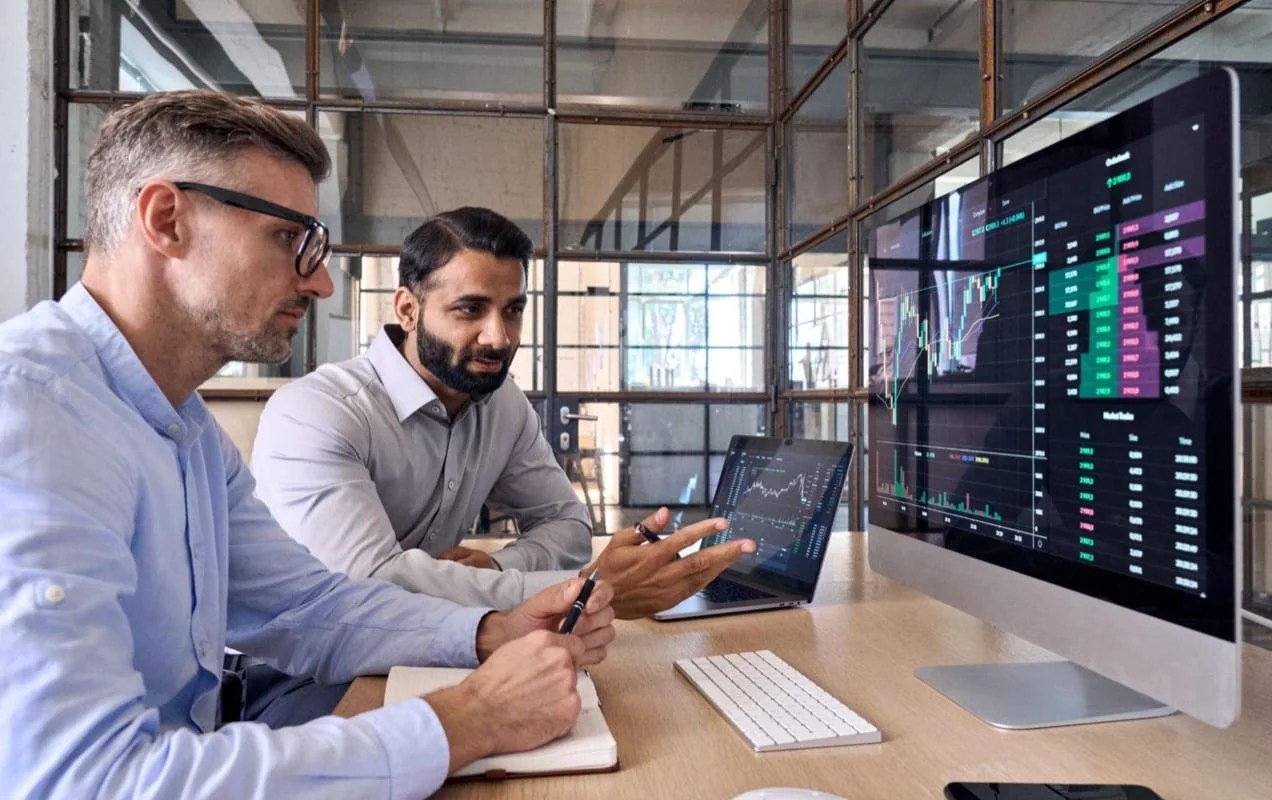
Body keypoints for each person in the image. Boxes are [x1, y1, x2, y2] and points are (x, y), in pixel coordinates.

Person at [0, 89, 616, 799]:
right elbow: (89, 783)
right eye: (290, 239)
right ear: (167, 219)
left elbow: (305, 607)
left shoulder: (185, 430)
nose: (320, 281)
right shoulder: (34, 416)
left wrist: (488, 632)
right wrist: (467, 719)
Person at [252, 207, 757, 616]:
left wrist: (497, 571)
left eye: (512, 310)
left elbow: (567, 524)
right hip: (298, 673)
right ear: (407, 309)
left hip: (429, 645)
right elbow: (369, 585)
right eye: (469, 310)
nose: (500, 337)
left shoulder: (502, 402)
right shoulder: (317, 413)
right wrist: (585, 589)